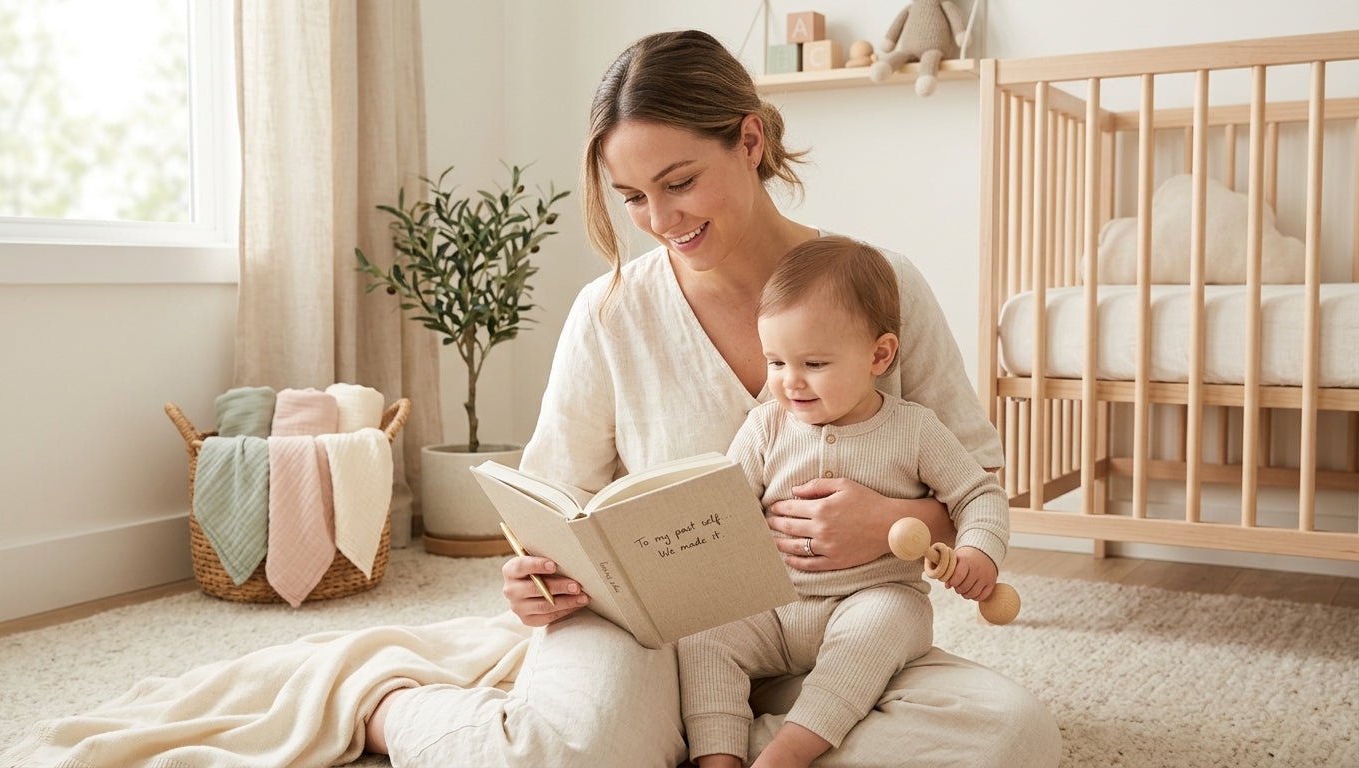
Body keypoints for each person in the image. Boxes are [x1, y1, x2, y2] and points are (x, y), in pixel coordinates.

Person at [368, 28, 1057, 767]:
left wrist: (894, 520)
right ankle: (392, 708)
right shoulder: (609, 313)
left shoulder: (880, 284)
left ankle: (701, 742)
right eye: (632, 197)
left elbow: (977, 477)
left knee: (1010, 737)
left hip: (843, 627)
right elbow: (552, 498)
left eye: (679, 182)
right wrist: (533, 576)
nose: (661, 222)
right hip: (658, 632)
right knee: (556, 755)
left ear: (749, 140)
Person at [678, 235, 1011, 768]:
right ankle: (718, 755)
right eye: (776, 362)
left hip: (871, 598)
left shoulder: (914, 429)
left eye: (813, 363)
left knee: (878, 628)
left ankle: (791, 750)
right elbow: (723, 507)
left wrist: (979, 554)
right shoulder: (764, 427)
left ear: (879, 355)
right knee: (703, 634)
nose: (790, 383)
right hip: (775, 609)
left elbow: (980, 495)